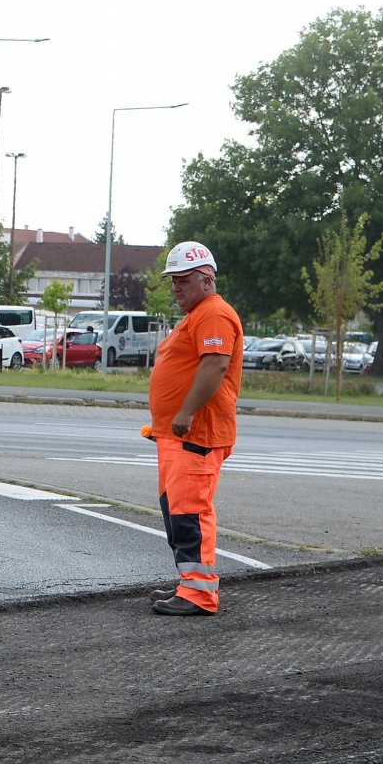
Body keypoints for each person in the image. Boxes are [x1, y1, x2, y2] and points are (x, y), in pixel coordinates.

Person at [147, 240, 244, 617]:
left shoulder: (213, 314)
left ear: (206, 279)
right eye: (173, 280)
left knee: (191, 514)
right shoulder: (200, 314)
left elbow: (215, 365)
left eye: (183, 280)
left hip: (195, 434)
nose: (176, 287)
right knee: (179, 514)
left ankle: (199, 594)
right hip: (180, 436)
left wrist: (186, 412)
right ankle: (189, 585)